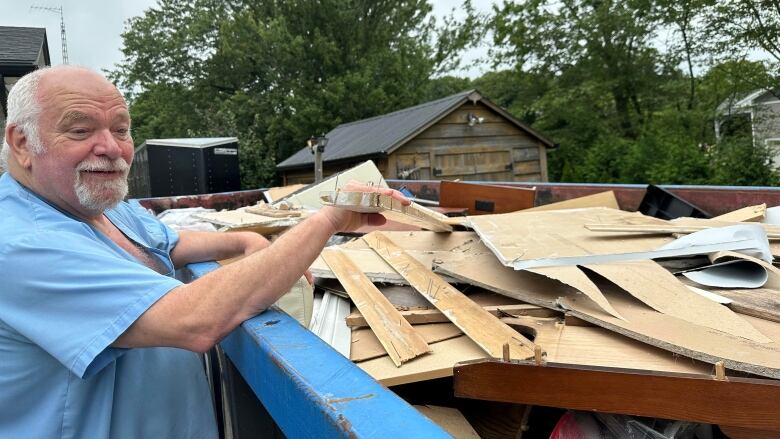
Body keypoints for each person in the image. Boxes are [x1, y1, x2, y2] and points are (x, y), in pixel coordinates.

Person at [0, 65, 409, 438]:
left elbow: (170, 243)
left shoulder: (102, 208)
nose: (110, 147)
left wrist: (247, 241)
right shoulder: (20, 245)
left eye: (121, 130)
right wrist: (327, 221)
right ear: (22, 143)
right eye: (80, 130)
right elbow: (195, 320)